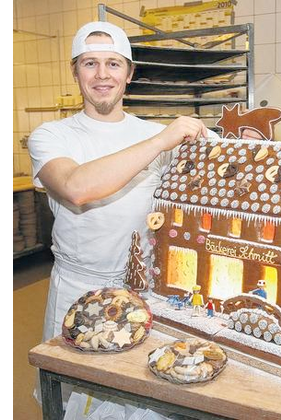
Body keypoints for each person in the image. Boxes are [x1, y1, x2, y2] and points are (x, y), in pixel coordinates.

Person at [28, 21, 214, 343]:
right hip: (76, 289)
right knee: (74, 386)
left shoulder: (153, 133)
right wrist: (160, 141)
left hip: (141, 289)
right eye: (90, 63)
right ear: (75, 72)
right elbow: (76, 188)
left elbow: (220, 175)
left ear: (129, 74)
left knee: (129, 386)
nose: (102, 75)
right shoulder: (51, 135)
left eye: (113, 64)